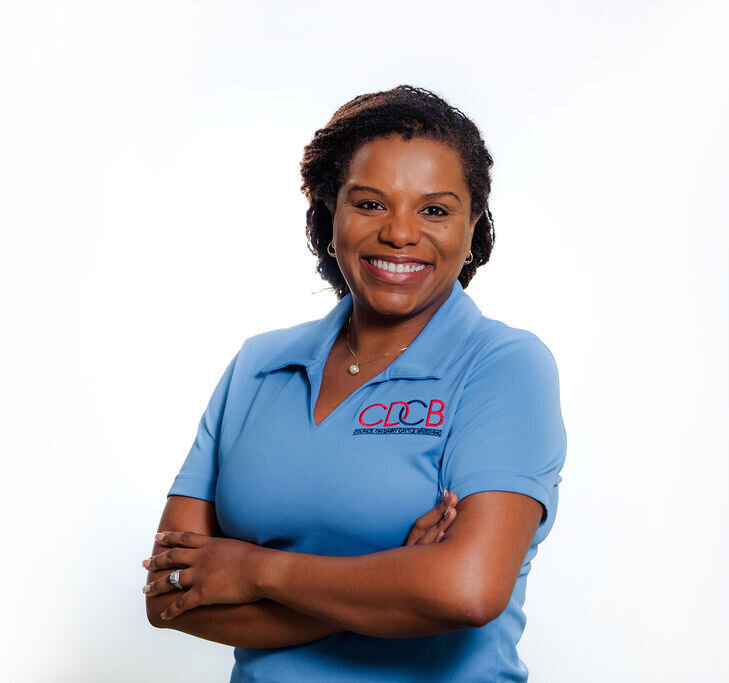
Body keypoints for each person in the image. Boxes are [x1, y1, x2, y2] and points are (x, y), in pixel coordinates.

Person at [142, 85, 567, 682]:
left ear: (473, 225)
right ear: (329, 212)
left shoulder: (503, 365)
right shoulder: (258, 366)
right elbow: (169, 596)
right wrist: (392, 586)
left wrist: (252, 571)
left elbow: (466, 591)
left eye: (434, 210)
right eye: (370, 204)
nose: (399, 233)